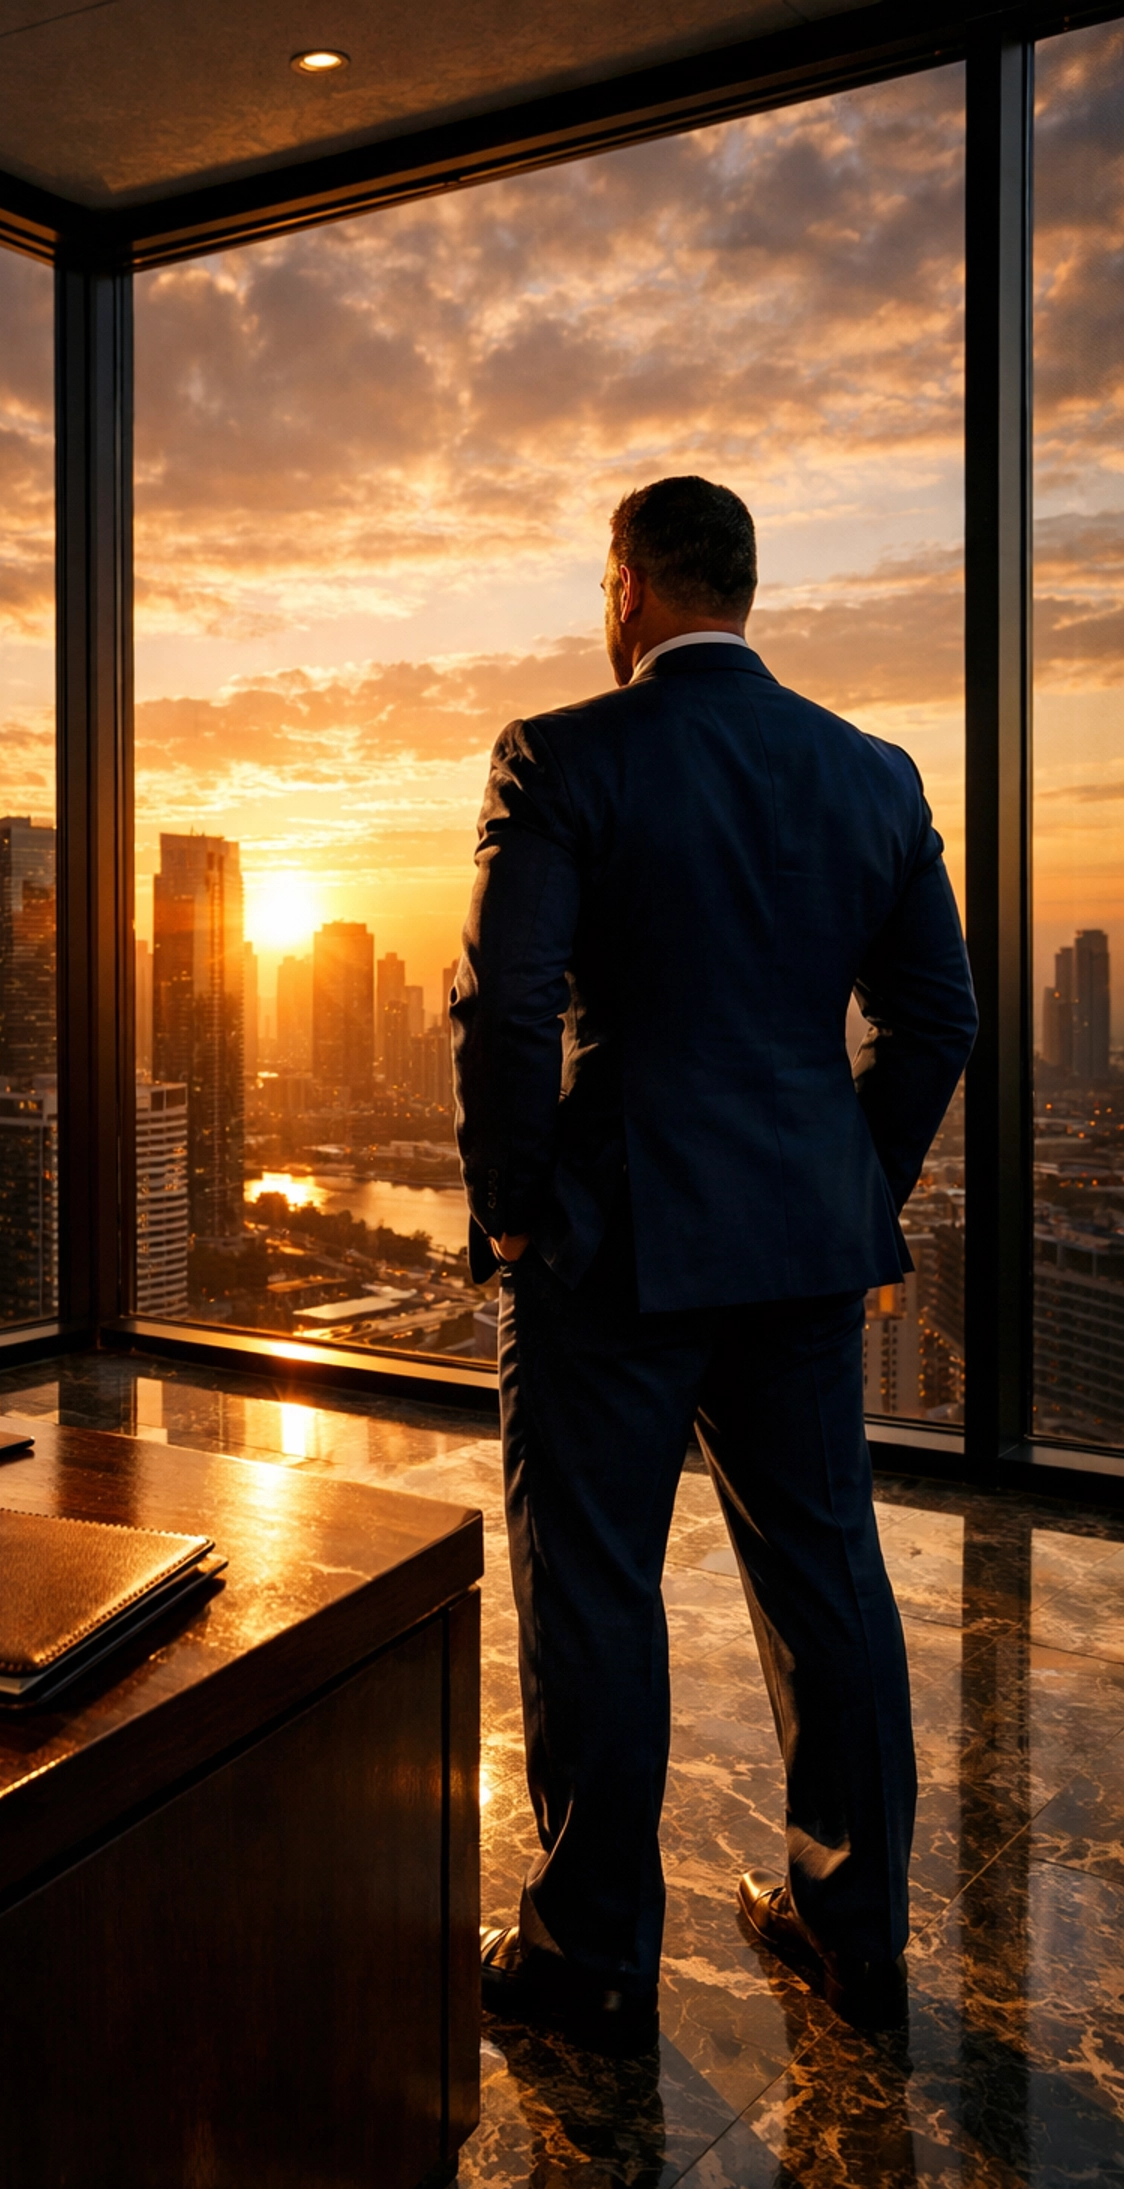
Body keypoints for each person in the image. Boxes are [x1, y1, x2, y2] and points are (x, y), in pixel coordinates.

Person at [451, 475, 976, 2053]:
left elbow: (507, 1008)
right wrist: (839, 1190)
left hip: (612, 1246)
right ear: (746, 593)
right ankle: (852, 1933)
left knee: (596, 1585)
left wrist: (518, 1215)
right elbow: (935, 1019)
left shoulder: (562, 753)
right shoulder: (873, 774)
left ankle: (593, 1952)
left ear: (629, 588)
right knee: (830, 1582)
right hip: (800, 1257)